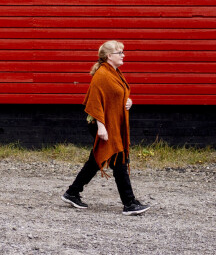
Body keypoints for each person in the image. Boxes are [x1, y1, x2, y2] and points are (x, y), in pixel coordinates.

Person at [61, 40, 151, 215]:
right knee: (119, 161)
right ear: (109, 56)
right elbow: (95, 103)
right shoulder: (102, 75)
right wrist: (102, 128)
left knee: (97, 160)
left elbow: (118, 94)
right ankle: (129, 203)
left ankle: (72, 192)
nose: (124, 55)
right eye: (120, 52)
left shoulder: (115, 73)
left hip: (112, 124)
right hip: (103, 125)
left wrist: (128, 101)